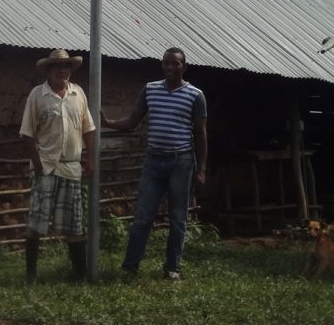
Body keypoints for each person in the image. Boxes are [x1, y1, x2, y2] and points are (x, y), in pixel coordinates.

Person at [102, 47, 207, 281]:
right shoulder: (150, 90)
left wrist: (201, 169)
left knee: (178, 217)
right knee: (143, 216)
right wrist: (108, 122)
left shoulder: (195, 95)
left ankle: (172, 268)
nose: (170, 68)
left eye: (175, 64)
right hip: (154, 161)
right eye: (166, 63)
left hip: (181, 162)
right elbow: (132, 120)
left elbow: (201, 135)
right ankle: (130, 267)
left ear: (184, 66)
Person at [19, 48, 96, 284]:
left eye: (67, 67)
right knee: (37, 222)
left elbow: (88, 129)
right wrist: (37, 165)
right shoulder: (37, 95)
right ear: (49, 70)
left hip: (71, 168)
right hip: (46, 167)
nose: (64, 71)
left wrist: (90, 158)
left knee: (74, 224)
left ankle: (79, 276)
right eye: (59, 67)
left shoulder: (78, 94)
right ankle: (31, 274)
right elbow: (26, 133)